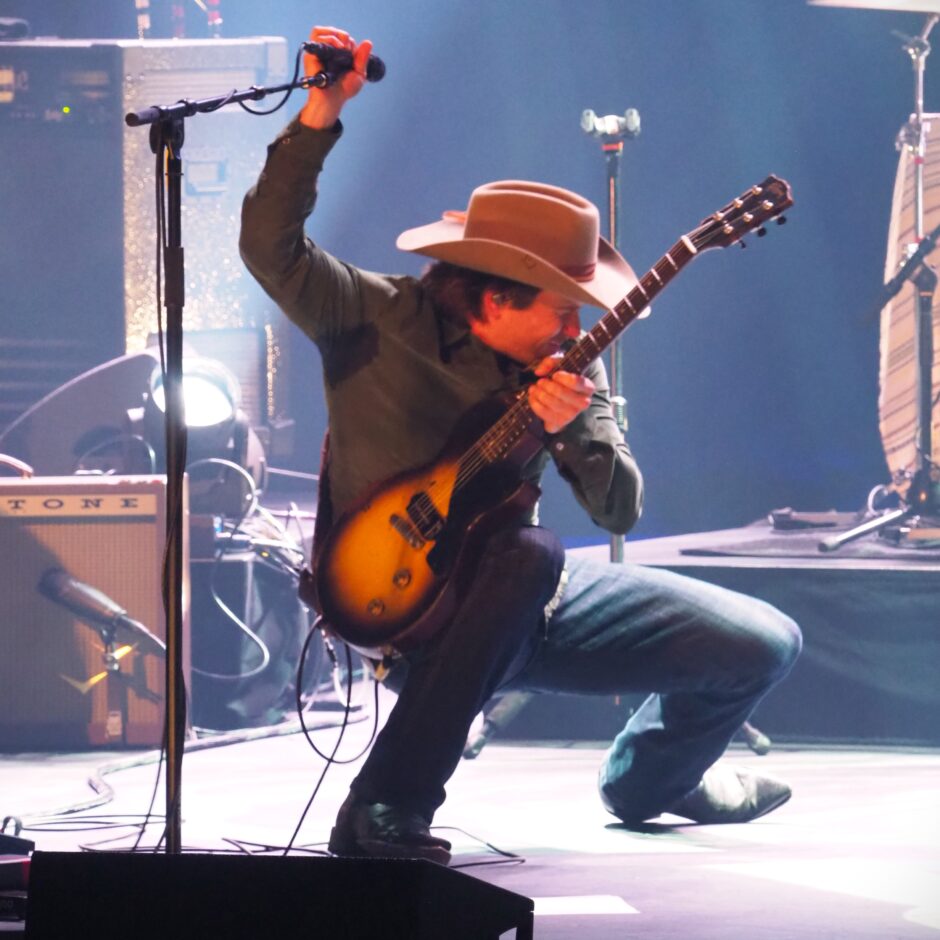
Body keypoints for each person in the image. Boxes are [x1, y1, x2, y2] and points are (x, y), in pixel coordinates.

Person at [240, 25, 802, 866]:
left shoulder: (571, 368)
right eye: (563, 308)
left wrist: (572, 426)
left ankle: (649, 781)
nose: (579, 327)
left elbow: (620, 510)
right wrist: (321, 114)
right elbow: (268, 248)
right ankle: (388, 805)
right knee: (530, 553)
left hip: (522, 599)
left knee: (764, 641)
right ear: (496, 298)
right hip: (400, 597)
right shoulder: (371, 315)